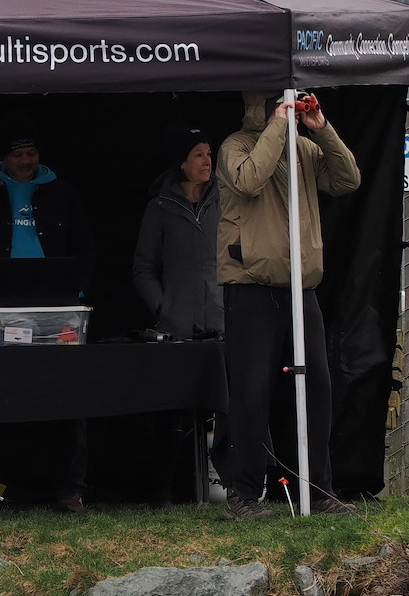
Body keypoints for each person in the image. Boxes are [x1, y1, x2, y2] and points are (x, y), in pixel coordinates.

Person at [215, 91, 360, 518]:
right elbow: (248, 181)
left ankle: (317, 491)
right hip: (251, 284)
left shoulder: (303, 147)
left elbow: (347, 180)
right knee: (251, 393)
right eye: (280, 104)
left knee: (315, 390)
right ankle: (243, 494)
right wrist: (277, 126)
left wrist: (322, 129)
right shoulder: (235, 146)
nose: (290, 110)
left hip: (300, 286)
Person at [0, 132, 96, 511]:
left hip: (58, 309)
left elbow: (84, 247)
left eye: (31, 152)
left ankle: (71, 489)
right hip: (3, 310)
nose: (26, 161)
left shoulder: (62, 192)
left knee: (71, 396)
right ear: (4, 159)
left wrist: (75, 290)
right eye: (18, 154)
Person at [131, 122, 221, 504]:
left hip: (222, 321)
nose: (207, 161)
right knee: (174, 415)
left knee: (228, 406)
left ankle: (235, 488)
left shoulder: (227, 200)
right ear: (181, 163)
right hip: (177, 325)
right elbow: (143, 268)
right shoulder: (160, 208)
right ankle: (163, 490)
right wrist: (163, 306)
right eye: (199, 154)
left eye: (209, 154)